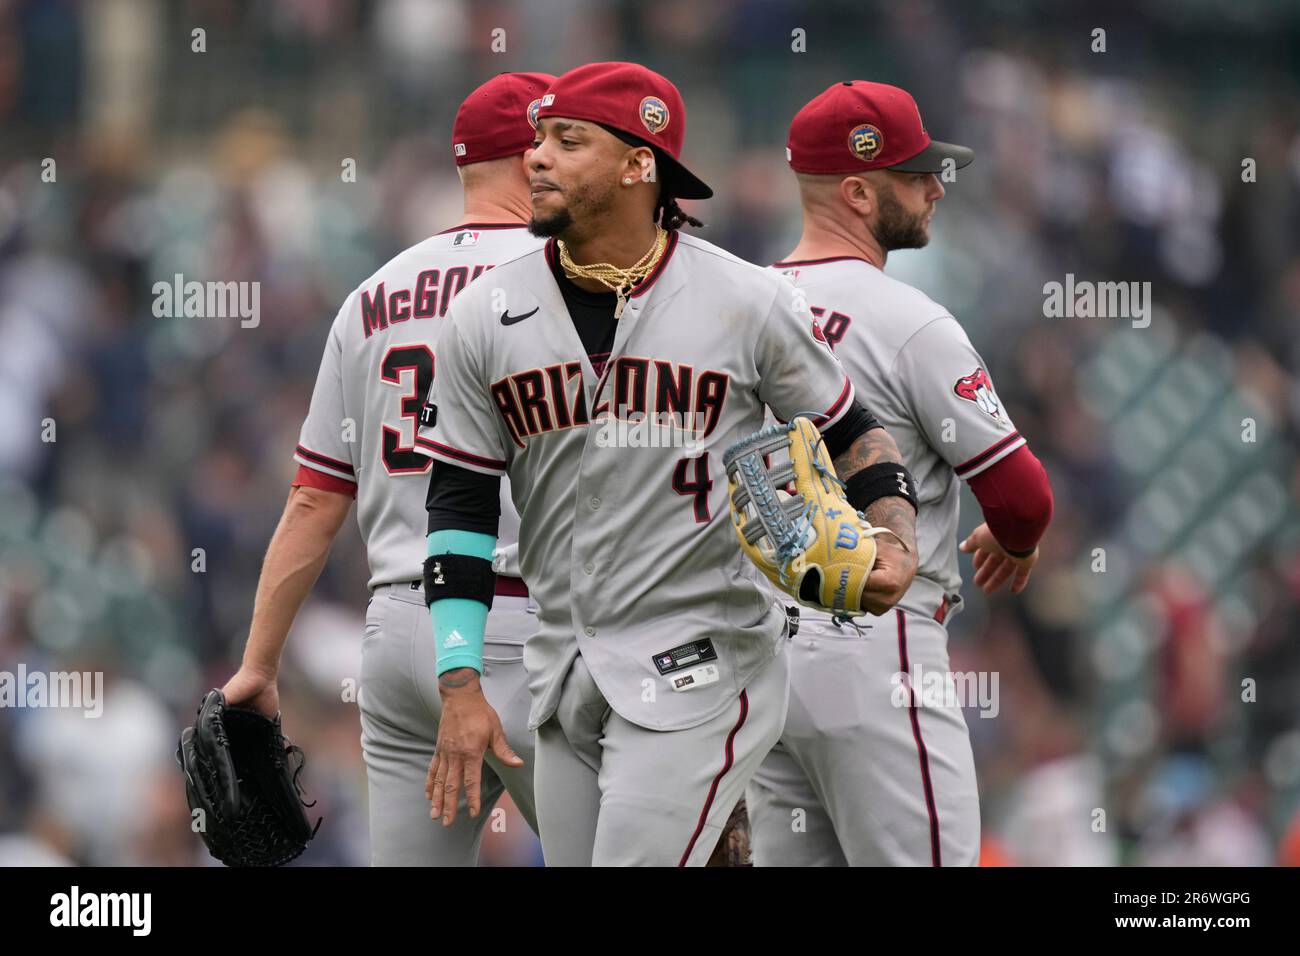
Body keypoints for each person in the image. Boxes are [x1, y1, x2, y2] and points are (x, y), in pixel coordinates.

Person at [413, 62, 919, 866]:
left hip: (705, 659)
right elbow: (460, 506)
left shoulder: (744, 301)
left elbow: (855, 432)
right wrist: (459, 679)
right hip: (563, 668)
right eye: (536, 139)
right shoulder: (486, 313)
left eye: (567, 140)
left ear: (639, 164)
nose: (536, 157)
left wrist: (895, 535)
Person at [220, 71, 554, 866]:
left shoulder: (370, 295)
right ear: (532, 155)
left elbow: (313, 503)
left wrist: (258, 665)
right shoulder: (566, 283)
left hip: (398, 631)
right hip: (526, 619)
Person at [746, 80, 1055, 866]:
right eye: (914, 172)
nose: (934, 186)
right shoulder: (910, 320)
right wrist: (1015, 542)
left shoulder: (737, 308)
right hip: (877, 645)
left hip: (759, 657)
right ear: (856, 190)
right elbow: (1022, 498)